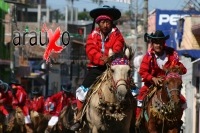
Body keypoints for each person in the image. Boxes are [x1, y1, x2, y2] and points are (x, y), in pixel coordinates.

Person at [70, 5, 125, 131]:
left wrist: (110, 59)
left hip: (114, 67)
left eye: (108, 22)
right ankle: (79, 117)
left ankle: (132, 120)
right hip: (96, 68)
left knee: (130, 90)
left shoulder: (118, 35)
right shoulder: (92, 36)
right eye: (103, 22)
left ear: (112, 23)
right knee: (82, 92)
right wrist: (102, 58)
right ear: (98, 23)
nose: (105, 25)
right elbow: (91, 51)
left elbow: (118, 48)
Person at [136, 30, 187, 121]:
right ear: (152, 44)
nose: (158, 45)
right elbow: (142, 71)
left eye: (160, 43)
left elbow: (182, 69)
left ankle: (178, 121)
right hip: (151, 85)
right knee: (140, 100)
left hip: (169, 85)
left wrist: (178, 69)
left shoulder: (172, 55)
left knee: (182, 102)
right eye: (156, 43)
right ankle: (138, 122)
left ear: (163, 44)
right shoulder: (148, 57)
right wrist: (152, 78)